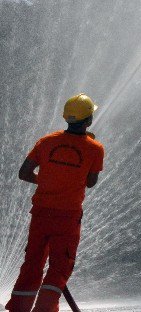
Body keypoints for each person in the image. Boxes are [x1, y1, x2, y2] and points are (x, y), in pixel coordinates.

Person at [5, 94, 105, 312]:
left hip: (41, 215)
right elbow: (91, 182)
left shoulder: (47, 141)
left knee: (32, 264)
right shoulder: (95, 149)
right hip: (67, 218)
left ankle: (18, 309)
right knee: (60, 267)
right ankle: (45, 310)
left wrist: (50, 178)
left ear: (66, 118)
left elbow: (24, 173)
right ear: (88, 121)